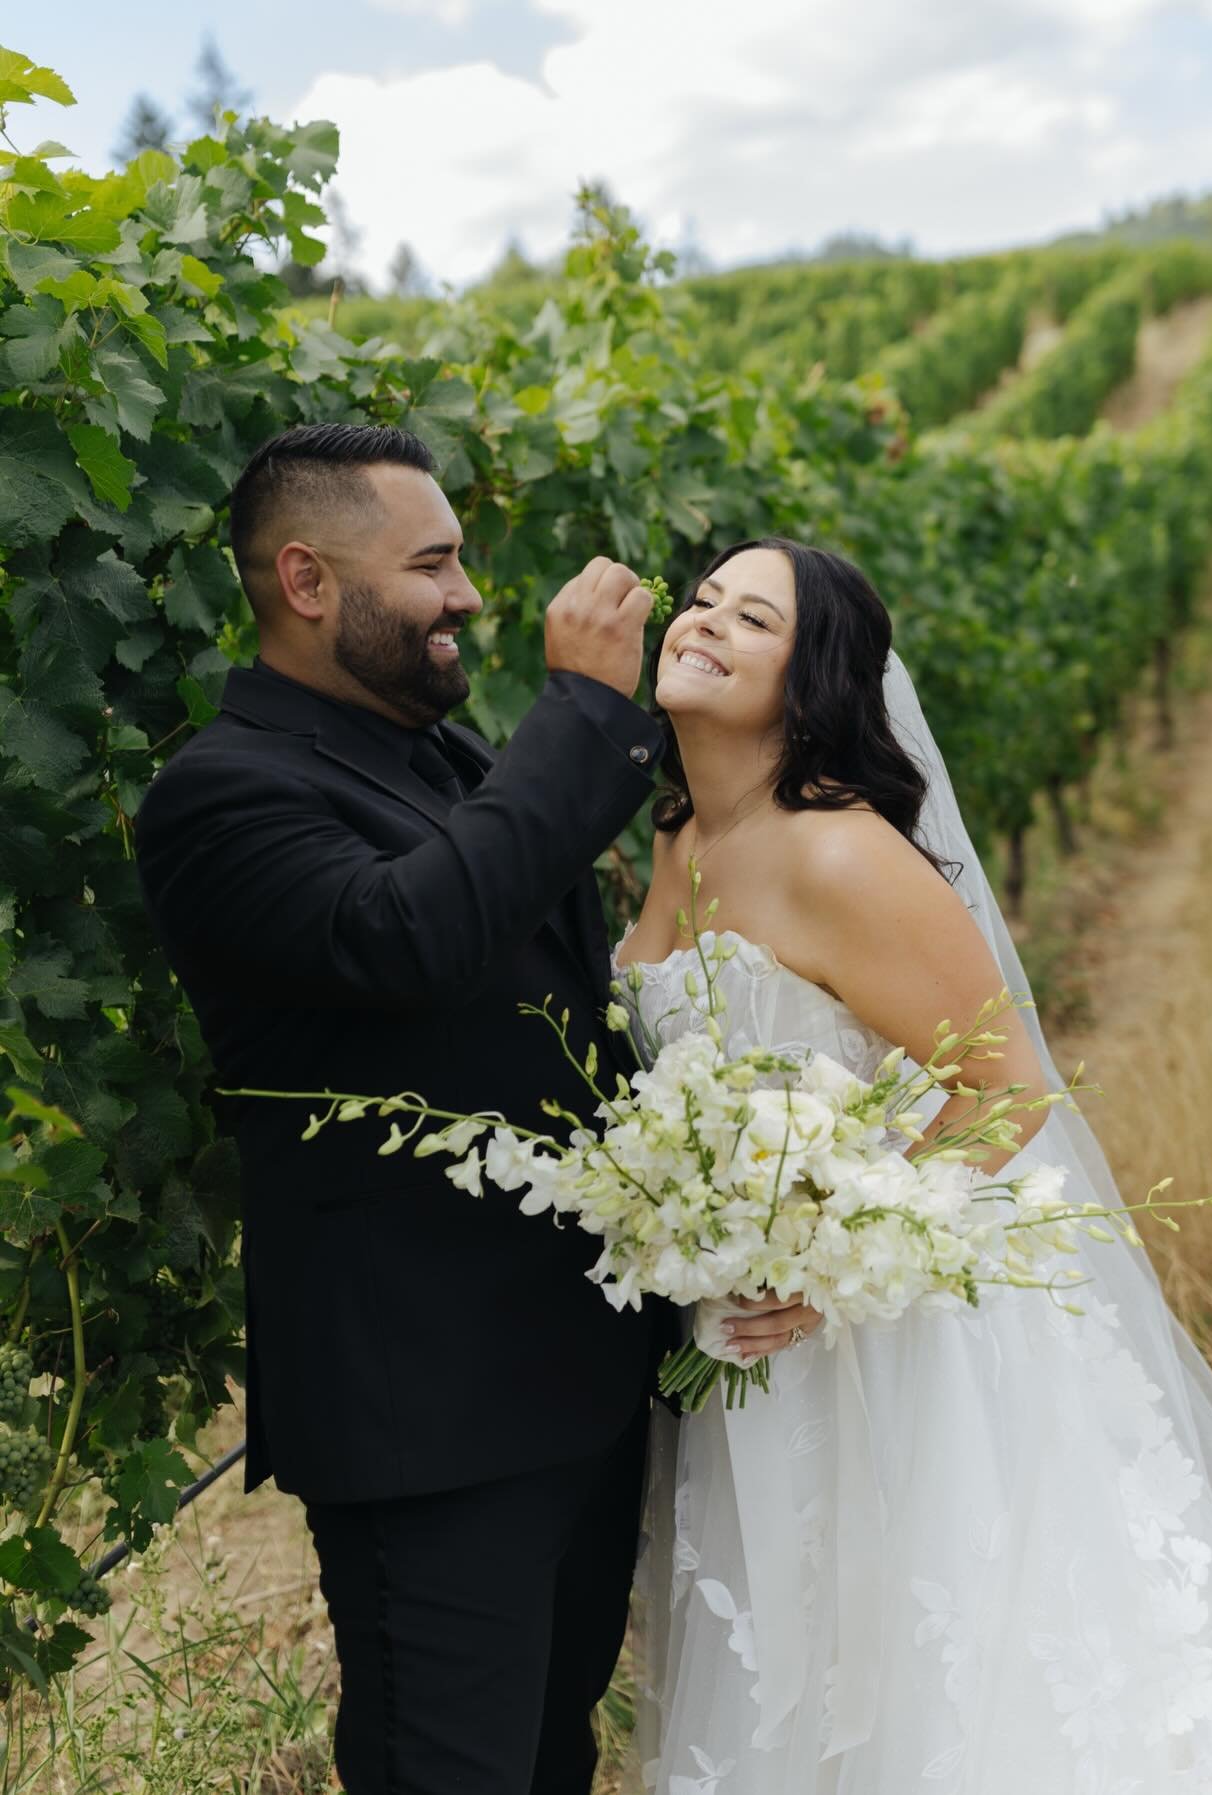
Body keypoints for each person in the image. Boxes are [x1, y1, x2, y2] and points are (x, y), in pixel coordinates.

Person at [614, 536, 1212, 1793]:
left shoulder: (837, 852)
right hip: (750, 1333)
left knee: (943, 1666)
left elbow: (1007, 1089)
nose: (705, 622)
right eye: (703, 600)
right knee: (792, 1646)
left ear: (812, 676)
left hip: (885, 1332)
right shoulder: (678, 837)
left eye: (754, 618)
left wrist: (836, 1253)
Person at [134, 421, 671, 1795]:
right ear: (308, 581)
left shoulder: (438, 754)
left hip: (573, 1387)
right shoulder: (222, 793)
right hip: (428, 1418)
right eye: (431, 562)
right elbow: (408, 936)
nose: (470, 594)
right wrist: (584, 715)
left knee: (549, 1758)